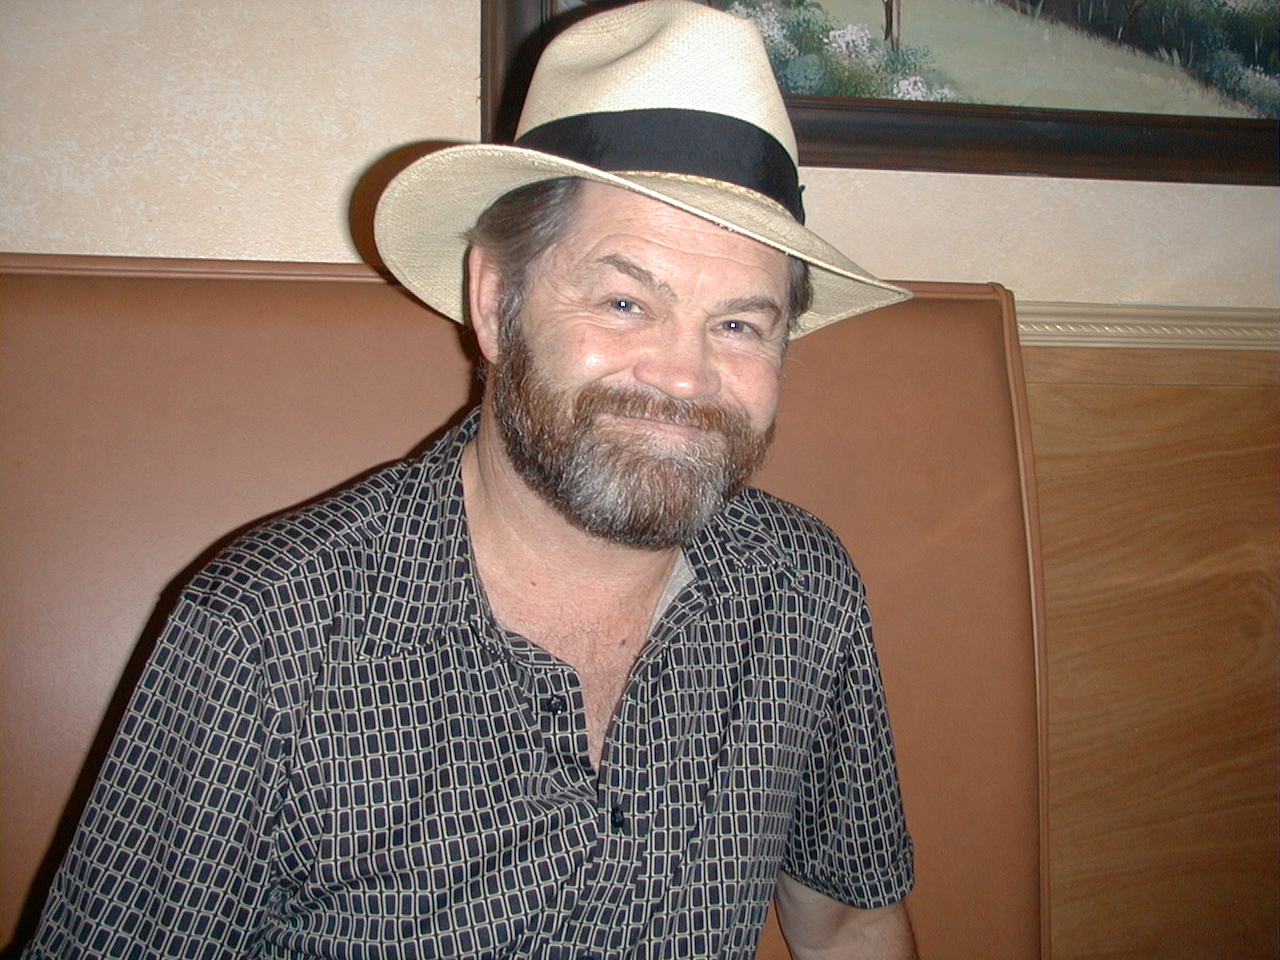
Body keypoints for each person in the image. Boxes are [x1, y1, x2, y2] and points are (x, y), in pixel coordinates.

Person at [23, 2, 917, 957]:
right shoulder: (265, 635)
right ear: (496, 303)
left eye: (738, 324)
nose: (684, 378)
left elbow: (849, 924)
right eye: (625, 302)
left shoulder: (803, 591)